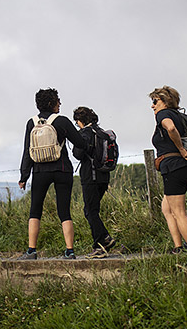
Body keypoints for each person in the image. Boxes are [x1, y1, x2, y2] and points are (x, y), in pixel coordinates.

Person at [19, 88, 87, 260]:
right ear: (52, 102)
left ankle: (31, 251)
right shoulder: (62, 121)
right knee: (64, 210)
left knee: (35, 209)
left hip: (40, 170)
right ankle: (70, 251)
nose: (60, 104)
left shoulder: (31, 123)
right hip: (62, 169)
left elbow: (27, 152)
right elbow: (80, 142)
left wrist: (23, 176)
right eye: (58, 100)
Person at [150, 86, 187, 253]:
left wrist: (181, 149)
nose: (153, 105)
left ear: (165, 101)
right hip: (185, 167)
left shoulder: (164, 115)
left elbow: (170, 128)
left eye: (155, 101)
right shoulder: (180, 116)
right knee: (167, 208)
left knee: (179, 212)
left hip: (174, 167)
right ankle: (178, 247)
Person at [72, 106, 117, 259]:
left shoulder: (85, 133)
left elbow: (78, 154)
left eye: (77, 122)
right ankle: (104, 238)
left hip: (90, 176)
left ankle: (101, 244)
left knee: (90, 211)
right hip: (104, 176)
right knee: (92, 210)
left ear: (80, 121)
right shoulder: (102, 132)